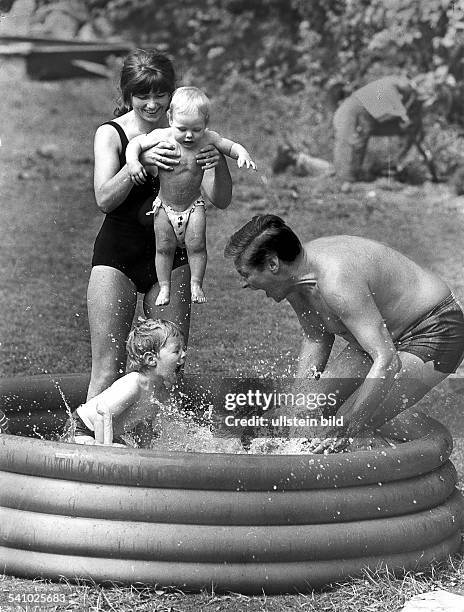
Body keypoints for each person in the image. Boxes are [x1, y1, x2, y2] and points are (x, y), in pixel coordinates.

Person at [224, 214, 464, 452]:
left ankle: (392, 483)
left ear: (273, 264)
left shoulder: (336, 280)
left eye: (246, 274)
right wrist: (298, 403)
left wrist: (349, 425)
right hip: (384, 338)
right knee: (309, 410)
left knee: (346, 424)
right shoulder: (296, 280)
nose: (247, 284)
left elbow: (387, 361)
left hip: (435, 330)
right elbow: (316, 337)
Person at [88, 49, 232, 401]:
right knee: (109, 368)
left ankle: (159, 454)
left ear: (171, 96)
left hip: (171, 260)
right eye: (142, 96)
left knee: (168, 373)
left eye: (159, 95)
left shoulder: (191, 132)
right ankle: (85, 445)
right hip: (117, 255)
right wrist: (138, 165)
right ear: (127, 96)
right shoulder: (112, 135)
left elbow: (221, 199)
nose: (151, 105)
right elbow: (104, 199)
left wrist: (217, 163)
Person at [126, 86, 256, 305]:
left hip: (193, 206)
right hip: (165, 208)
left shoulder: (207, 139)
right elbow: (135, 144)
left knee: (197, 246)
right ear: (170, 118)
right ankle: (164, 287)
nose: (189, 135)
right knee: (163, 248)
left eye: (196, 129)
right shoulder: (162, 137)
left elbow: (229, 145)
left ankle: (196, 283)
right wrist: (133, 161)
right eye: (182, 128)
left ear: (205, 123)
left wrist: (242, 154)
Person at [63, 318, 186, 445]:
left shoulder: (159, 392)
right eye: (176, 351)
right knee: (121, 452)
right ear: (151, 359)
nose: (183, 355)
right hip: (82, 429)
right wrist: (104, 447)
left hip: (105, 433)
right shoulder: (134, 384)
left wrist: (146, 454)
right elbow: (102, 414)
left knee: (130, 454)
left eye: (183, 349)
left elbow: (144, 425)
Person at [332, 75, 428, 183]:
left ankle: (356, 175)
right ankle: (344, 179)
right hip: (354, 110)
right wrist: (402, 113)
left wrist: (405, 118)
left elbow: (402, 116)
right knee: (349, 142)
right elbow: (391, 94)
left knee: (359, 144)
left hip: (367, 114)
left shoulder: (409, 95)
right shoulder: (394, 83)